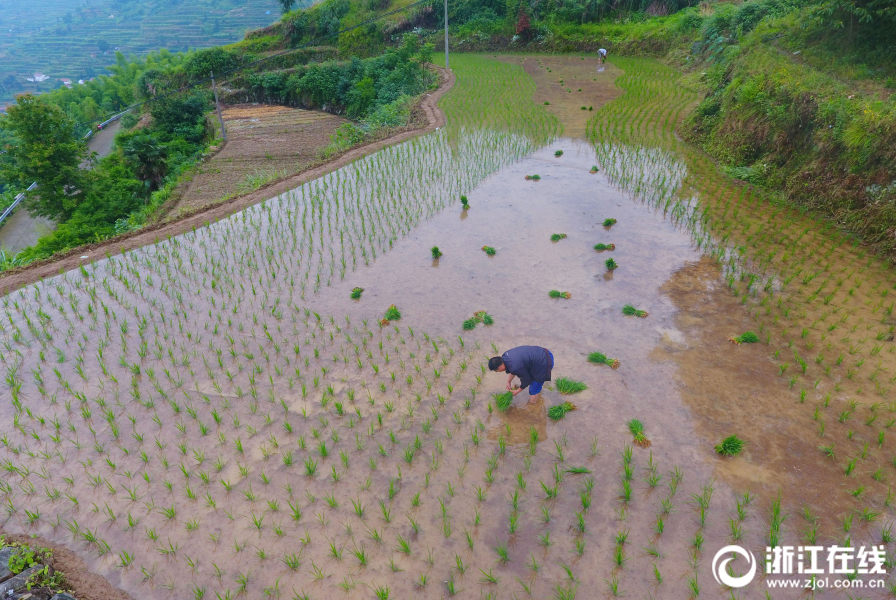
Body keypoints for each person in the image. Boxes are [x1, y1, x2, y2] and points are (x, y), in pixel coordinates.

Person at [488, 345, 554, 405]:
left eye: (496, 371)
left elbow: (527, 380)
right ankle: (538, 391)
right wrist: (508, 381)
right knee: (535, 383)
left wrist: (517, 391)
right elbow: (513, 369)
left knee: (533, 389)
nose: (498, 372)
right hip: (543, 352)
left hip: (545, 362)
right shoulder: (505, 356)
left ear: (500, 367)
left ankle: (532, 407)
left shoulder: (515, 367)